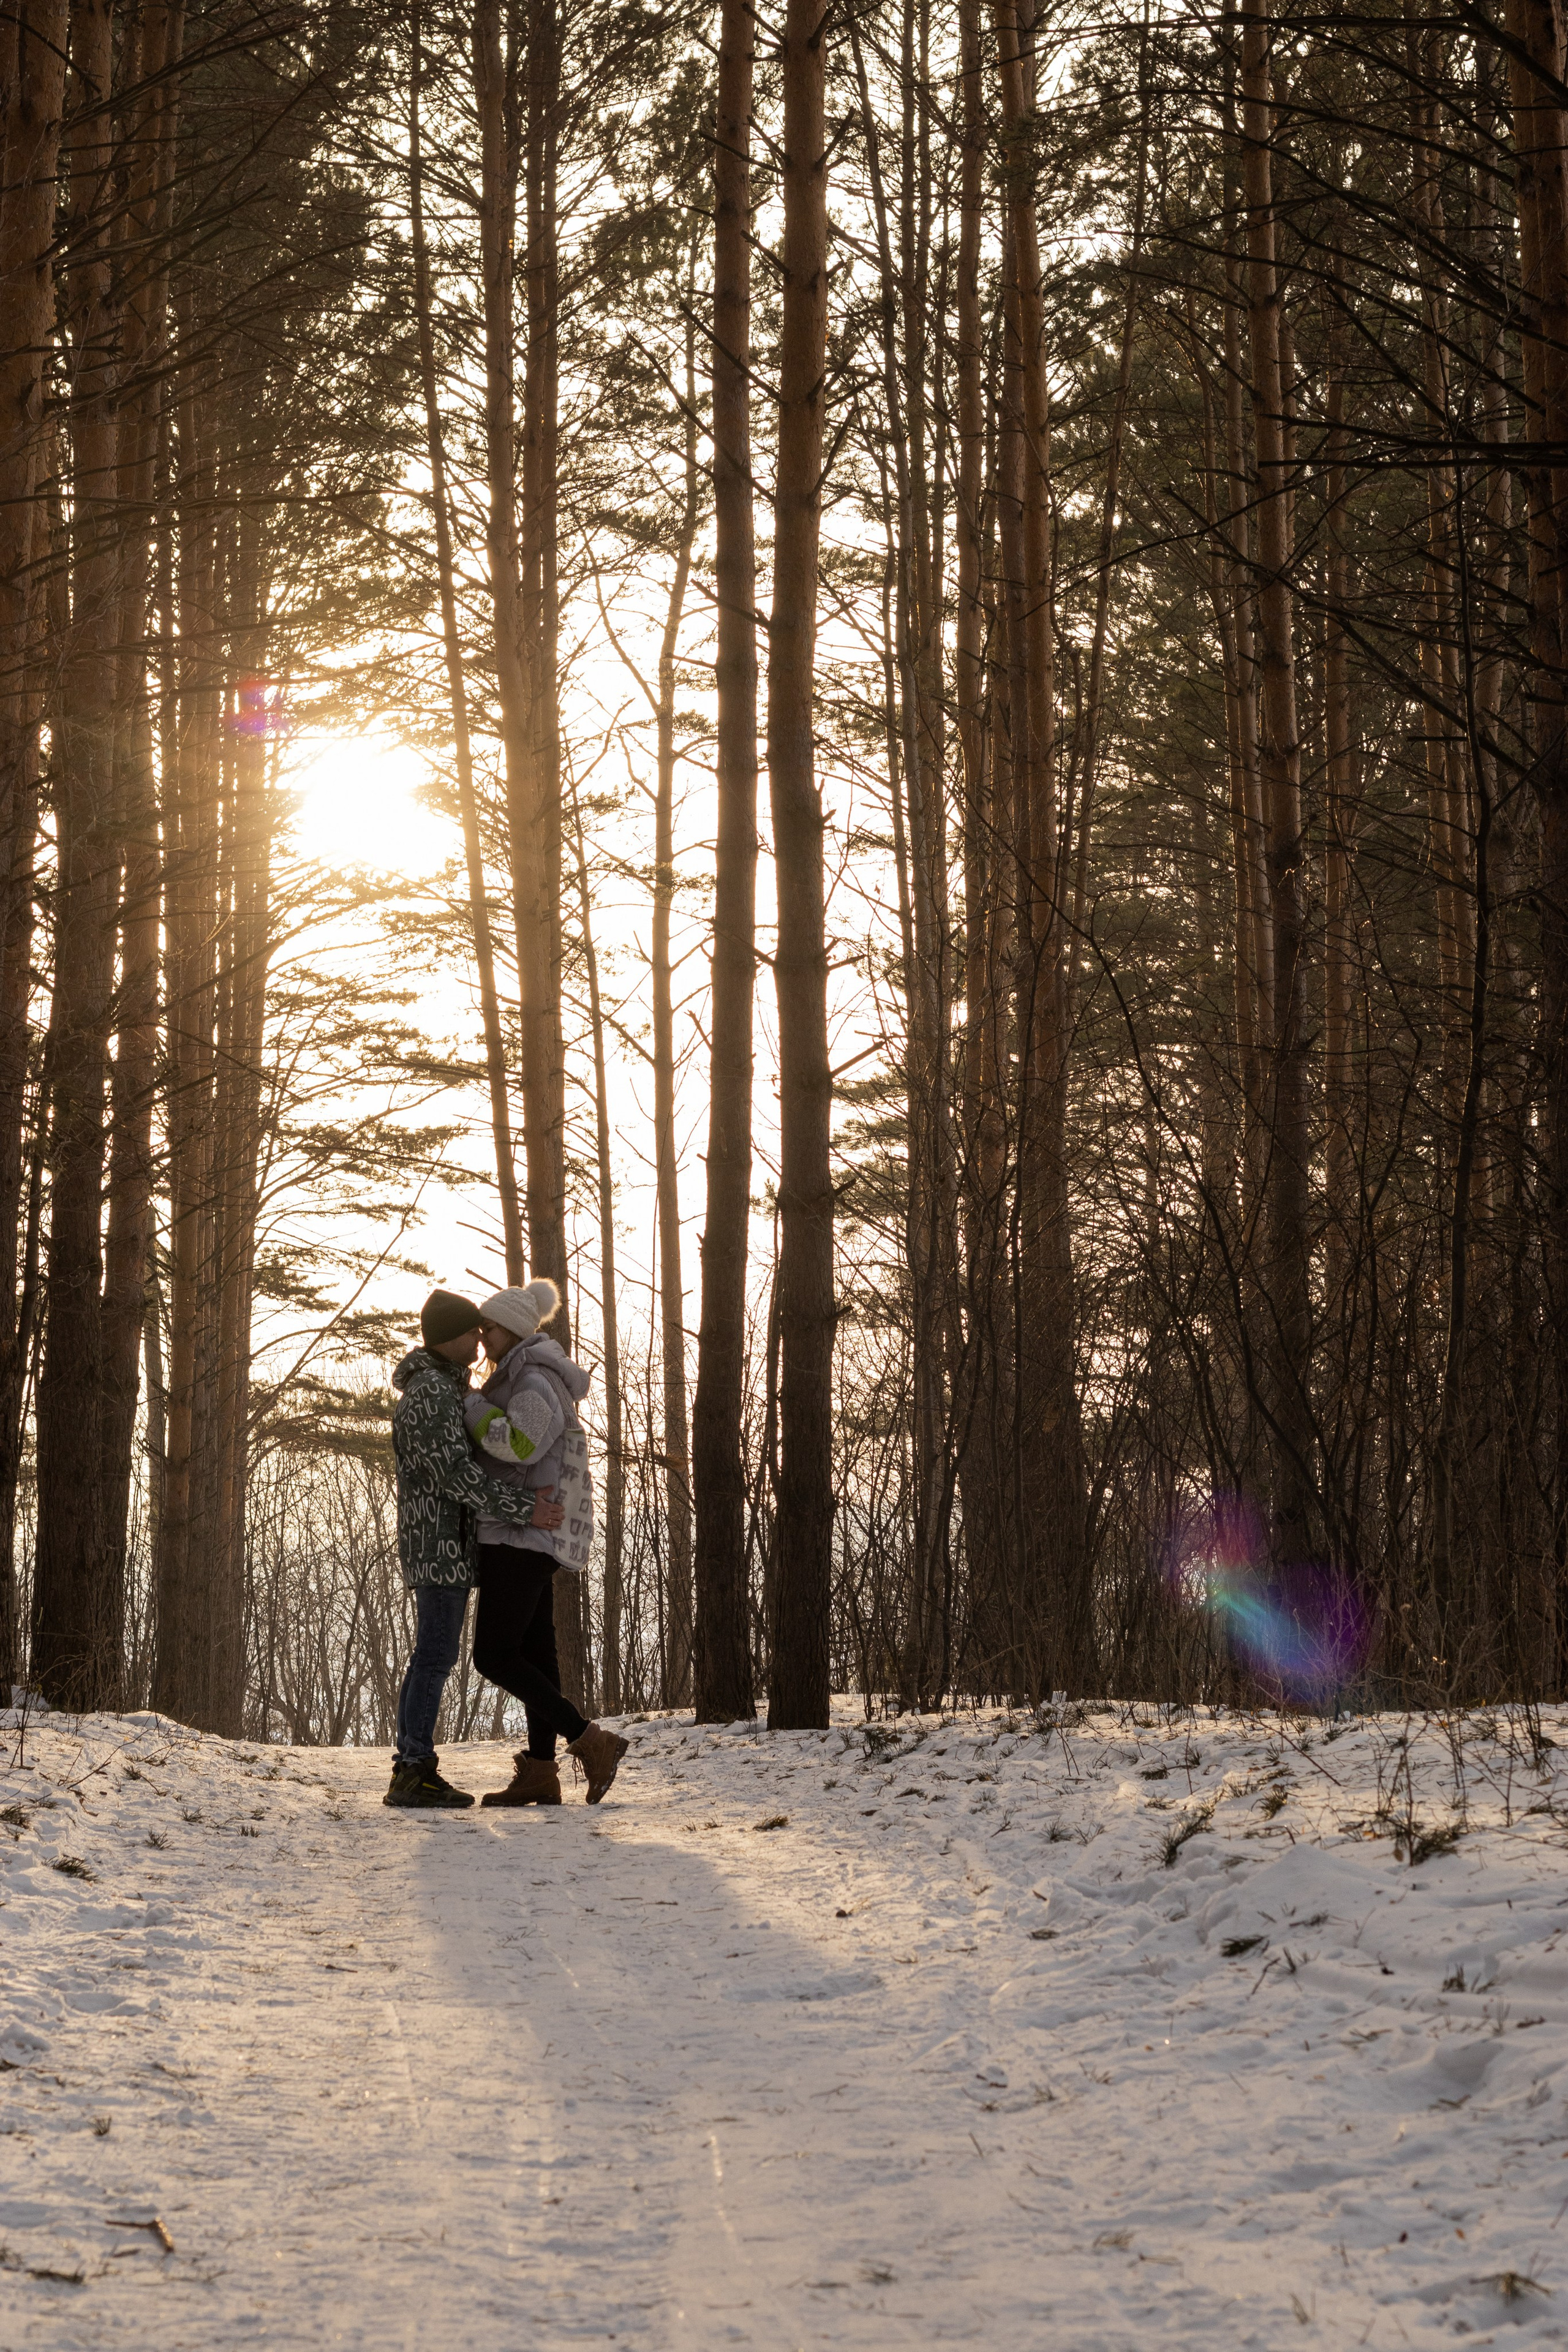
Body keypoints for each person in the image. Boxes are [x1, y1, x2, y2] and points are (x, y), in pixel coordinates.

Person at [385, 1287, 565, 1809]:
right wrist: (523, 1508)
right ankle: (413, 1770)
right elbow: (454, 1475)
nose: (480, 1339)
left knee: (434, 1657)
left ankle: (414, 1767)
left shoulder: (446, 1388)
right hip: (438, 1545)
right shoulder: (432, 1394)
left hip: (450, 1545)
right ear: (451, 1338)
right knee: (435, 1657)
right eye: (473, 1331)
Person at [462, 1278, 629, 1806]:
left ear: (508, 1330)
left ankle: (588, 1739)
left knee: (492, 1654)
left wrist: (471, 1406)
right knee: (536, 1650)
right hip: (530, 1531)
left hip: (521, 1532)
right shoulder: (524, 1374)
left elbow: (519, 1444)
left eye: (486, 1328)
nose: (480, 1337)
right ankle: (541, 1771)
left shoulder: (532, 1379)